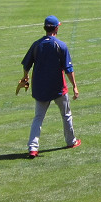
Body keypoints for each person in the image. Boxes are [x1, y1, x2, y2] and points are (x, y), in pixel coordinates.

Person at [18, 15, 81, 159]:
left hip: (40, 88)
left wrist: (25, 76)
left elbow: (26, 65)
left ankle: (33, 148)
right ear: (56, 28)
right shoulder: (61, 45)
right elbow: (69, 70)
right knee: (66, 115)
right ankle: (71, 141)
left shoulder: (36, 45)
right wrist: (75, 86)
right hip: (58, 88)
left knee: (38, 118)